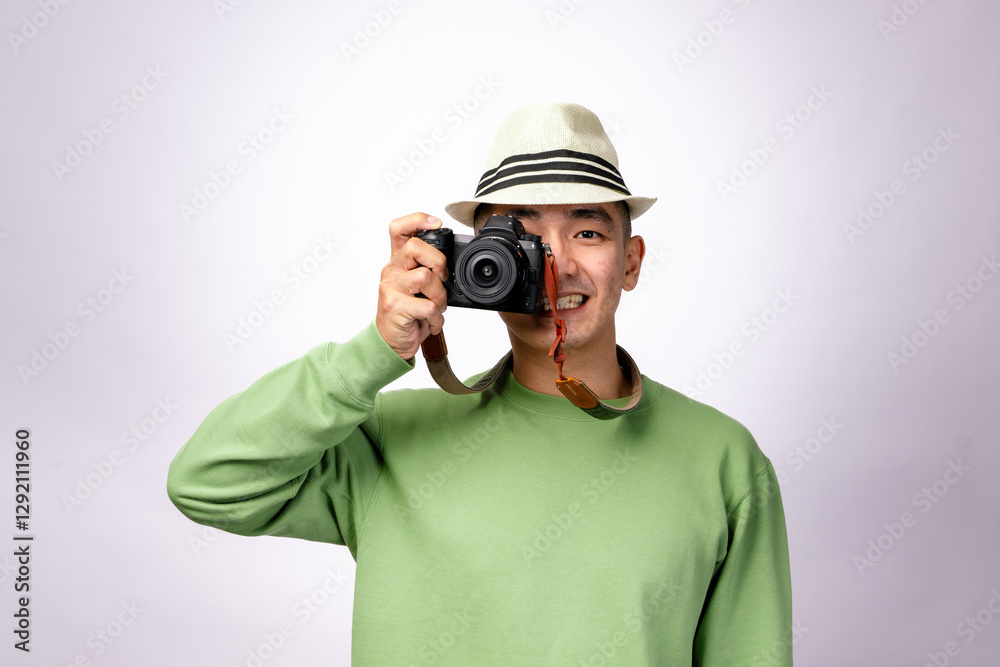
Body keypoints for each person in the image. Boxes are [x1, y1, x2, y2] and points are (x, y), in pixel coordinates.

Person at [167, 102, 793, 665]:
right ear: (474, 264)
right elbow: (207, 482)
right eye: (521, 239)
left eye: (589, 230)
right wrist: (375, 351)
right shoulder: (389, 438)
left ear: (630, 262)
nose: (559, 265)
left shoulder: (722, 461)